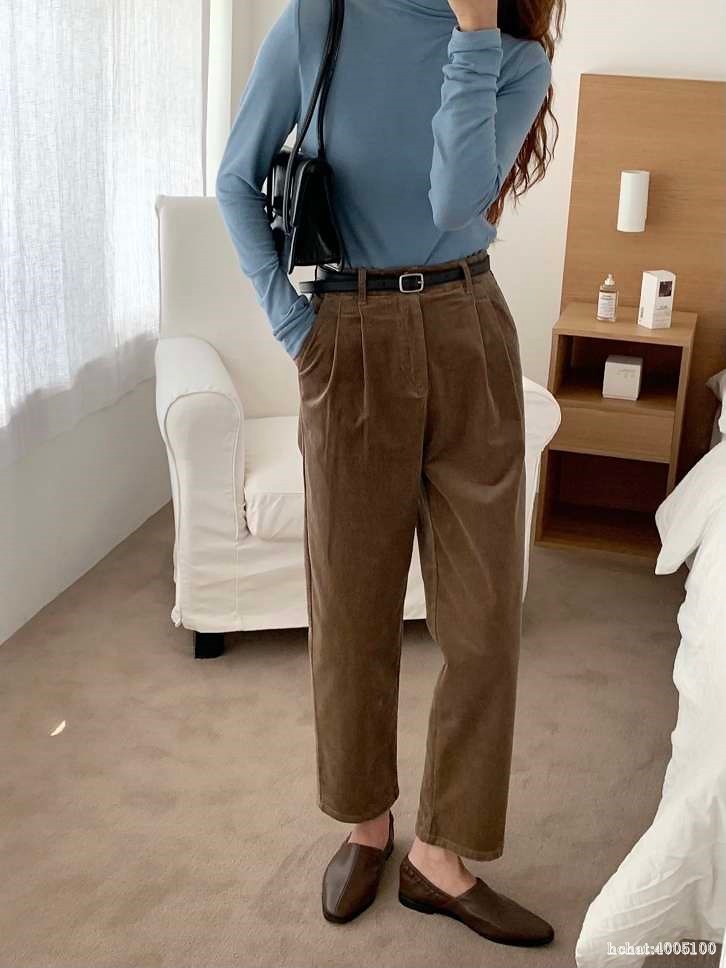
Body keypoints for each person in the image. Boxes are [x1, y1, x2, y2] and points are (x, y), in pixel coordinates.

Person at [216, 0, 562, 946]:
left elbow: (455, 204)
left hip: (469, 329)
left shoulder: (515, 56)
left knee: (485, 622)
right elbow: (236, 179)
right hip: (349, 330)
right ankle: (366, 824)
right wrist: (296, 327)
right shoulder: (320, 20)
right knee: (353, 609)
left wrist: (476, 37)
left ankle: (440, 857)